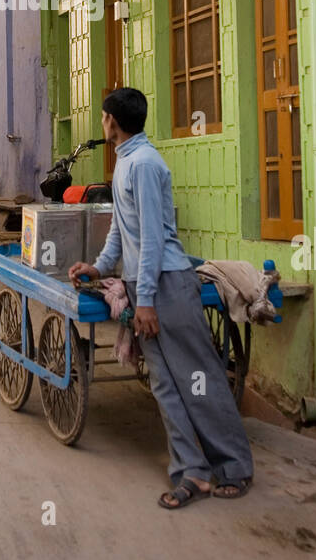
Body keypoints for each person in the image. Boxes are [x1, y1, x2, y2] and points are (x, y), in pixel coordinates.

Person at [68, 87, 254, 509]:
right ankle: (192, 473)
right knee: (166, 386)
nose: (102, 123)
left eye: (102, 117)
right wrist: (99, 266)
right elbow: (122, 230)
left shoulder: (146, 165)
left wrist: (146, 300)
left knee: (198, 379)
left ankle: (235, 467)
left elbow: (152, 238)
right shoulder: (125, 164)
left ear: (111, 121)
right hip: (144, 286)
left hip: (167, 284)